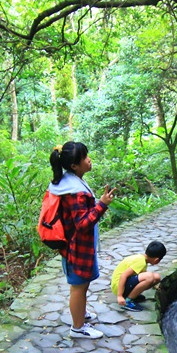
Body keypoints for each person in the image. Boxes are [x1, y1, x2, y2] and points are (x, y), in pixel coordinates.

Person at [49, 141, 115, 339]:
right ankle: (78, 327)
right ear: (74, 166)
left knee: (82, 284)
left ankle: (81, 313)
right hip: (76, 249)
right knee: (78, 287)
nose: (89, 159)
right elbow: (82, 224)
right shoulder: (74, 192)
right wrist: (102, 205)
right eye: (85, 158)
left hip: (79, 247)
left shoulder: (72, 181)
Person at [111, 241, 166, 311]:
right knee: (150, 276)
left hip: (123, 285)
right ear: (157, 260)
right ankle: (128, 301)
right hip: (118, 286)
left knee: (156, 277)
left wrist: (154, 284)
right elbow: (123, 275)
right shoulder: (140, 262)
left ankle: (133, 295)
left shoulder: (142, 259)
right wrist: (119, 296)